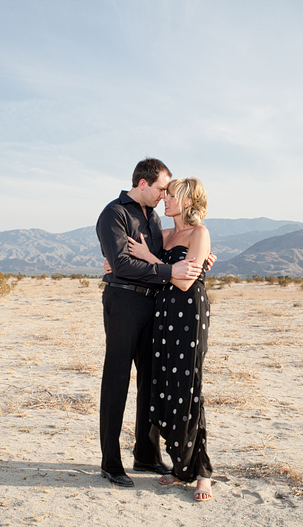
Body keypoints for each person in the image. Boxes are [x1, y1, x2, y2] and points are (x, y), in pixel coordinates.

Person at [96, 158, 204, 488]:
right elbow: (122, 265)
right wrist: (168, 271)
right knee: (116, 380)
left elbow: (178, 248)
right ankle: (110, 463)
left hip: (155, 306)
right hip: (125, 301)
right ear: (143, 184)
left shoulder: (154, 218)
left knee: (150, 380)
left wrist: (200, 257)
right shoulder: (114, 214)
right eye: (160, 188)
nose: (162, 195)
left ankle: (145, 453)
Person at [126, 177, 214, 502]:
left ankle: (202, 474)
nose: (166, 199)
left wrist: (152, 260)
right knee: (167, 388)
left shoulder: (199, 233)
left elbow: (184, 283)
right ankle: (181, 468)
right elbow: (130, 251)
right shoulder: (164, 235)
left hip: (188, 314)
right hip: (163, 316)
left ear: (188, 200)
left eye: (171, 195)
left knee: (190, 389)